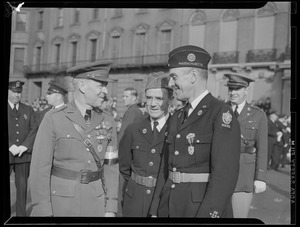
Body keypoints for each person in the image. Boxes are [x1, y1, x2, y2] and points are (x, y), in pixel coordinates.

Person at [149, 45, 241, 218]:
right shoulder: (177, 116)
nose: (170, 84)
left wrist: (208, 215)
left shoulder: (220, 113)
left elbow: (225, 175)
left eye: (174, 77)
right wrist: (155, 209)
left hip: (199, 210)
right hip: (169, 205)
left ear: (193, 76)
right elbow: (165, 167)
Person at [29, 61, 119, 217]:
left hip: (97, 203)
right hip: (62, 205)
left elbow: (111, 167)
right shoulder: (53, 118)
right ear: (82, 86)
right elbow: (39, 169)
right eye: (101, 85)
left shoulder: (108, 120)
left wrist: (110, 207)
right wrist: (43, 210)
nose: (105, 91)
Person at [119, 72, 173, 217]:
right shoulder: (133, 130)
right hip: (134, 201)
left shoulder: (177, 130)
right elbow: (124, 167)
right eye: (149, 98)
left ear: (170, 100)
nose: (153, 104)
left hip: (164, 201)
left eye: (159, 98)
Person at [223, 73, 268, 218]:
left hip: (244, 175)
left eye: (237, 89)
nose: (233, 93)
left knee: (238, 216)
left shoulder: (258, 115)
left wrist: (260, 177)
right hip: (220, 173)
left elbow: (262, 148)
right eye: (230, 89)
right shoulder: (219, 111)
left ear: (246, 90)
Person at [8, 80, 37, 216]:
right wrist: (10, 146)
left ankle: (21, 216)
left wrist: (24, 146)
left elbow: (34, 129)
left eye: (19, 92)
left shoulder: (28, 109)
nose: (17, 95)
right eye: (14, 92)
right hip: (9, 152)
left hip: (23, 155)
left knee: (22, 188)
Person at [117, 87, 145, 216]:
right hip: (135, 154)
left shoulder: (132, 111)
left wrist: (116, 152)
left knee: (121, 189)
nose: (123, 99)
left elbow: (122, 136)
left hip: (126, 155)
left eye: (126, 96)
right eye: (123, 96)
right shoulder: (137, 111)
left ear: (134, 98)